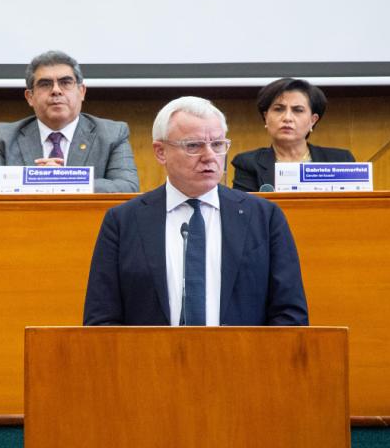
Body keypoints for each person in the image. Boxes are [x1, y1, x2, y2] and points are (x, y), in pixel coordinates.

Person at [83, 96, 308, 326]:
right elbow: (101, 320)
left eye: (218, 144)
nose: (210, 156)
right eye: (193, 146)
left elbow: (290, 315)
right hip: (151, 361)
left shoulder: (264, 217)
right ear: (161, 152)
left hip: (242, 359)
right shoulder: (123, 222)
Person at [0, 50, 139, 193]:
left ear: (81, 91)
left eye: (65, 82)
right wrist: (36, 181)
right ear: (30, 97)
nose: (56, 90)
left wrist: (63, 180)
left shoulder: (111, 134)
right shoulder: (4, 136)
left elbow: (127, 186)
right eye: (45, 84)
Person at [231, 78, 355, 192]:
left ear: (313, 120)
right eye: (279, 109)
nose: (287, 118)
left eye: (298, 110)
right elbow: (246, 212)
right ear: (266, 117)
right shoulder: (248, 164)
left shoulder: (341, 161)